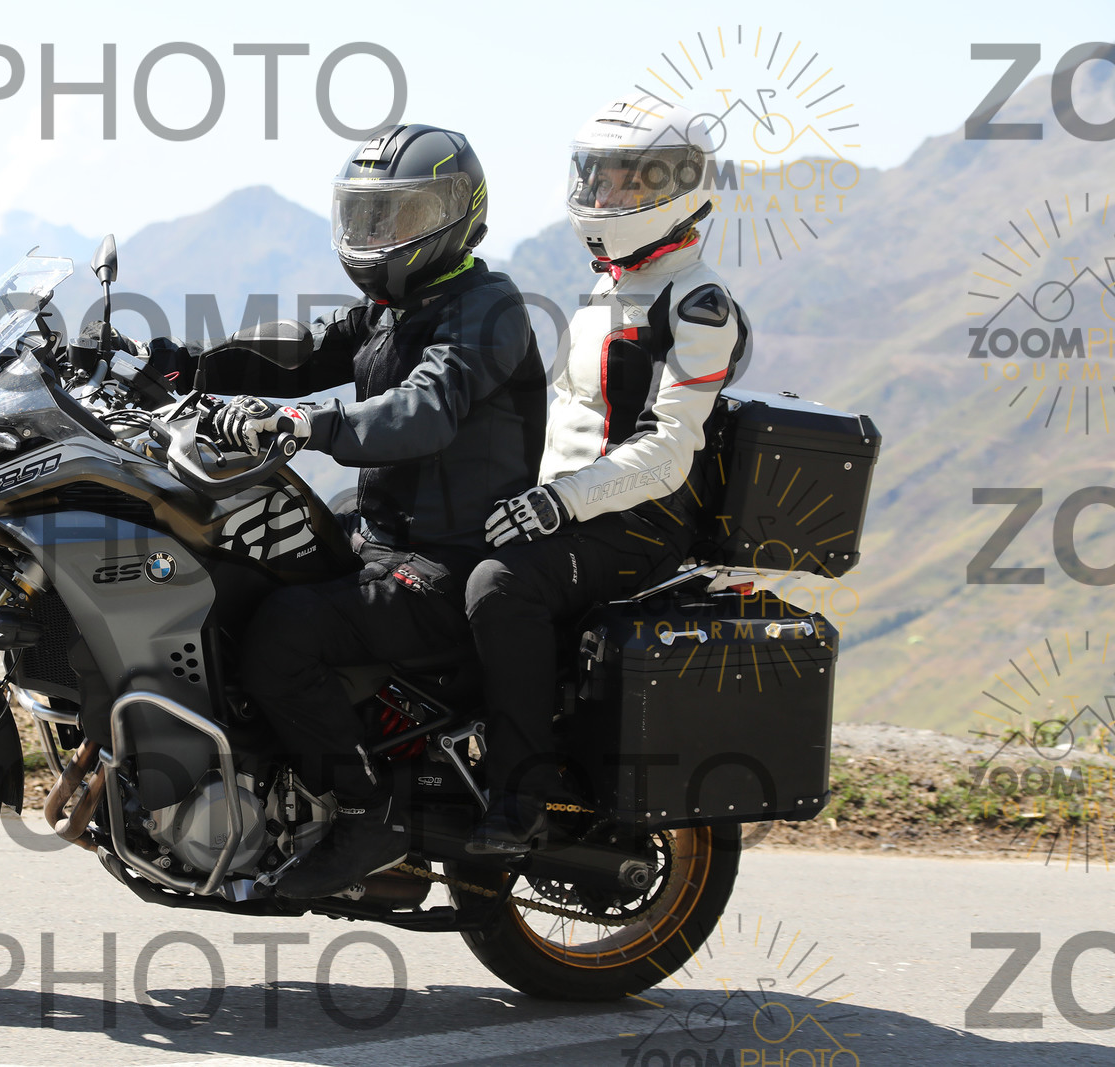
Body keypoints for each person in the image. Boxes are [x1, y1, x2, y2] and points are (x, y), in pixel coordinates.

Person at [114, 123, 547, 898]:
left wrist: (311, 425)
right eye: (368, 215)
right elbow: (306, 353)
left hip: (448, 559)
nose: (378, 233)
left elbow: (426, 409)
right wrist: (189, 364)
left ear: (457, 213)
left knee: (286, 632)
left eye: (400, 216)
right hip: (383, 536)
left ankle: (363, 810)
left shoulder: (487, 309)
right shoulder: (392, 306)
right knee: (243, 566)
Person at [463, 95, 752, 854]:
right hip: (566, 508)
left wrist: (558, 505)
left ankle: (521, 794)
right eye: (598, 175)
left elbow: (669, 449)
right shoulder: (614, 282)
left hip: (637, 523)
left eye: (629, 179)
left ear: (679, 186)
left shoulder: (699, 304)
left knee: (501, 586)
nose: (604, 192)